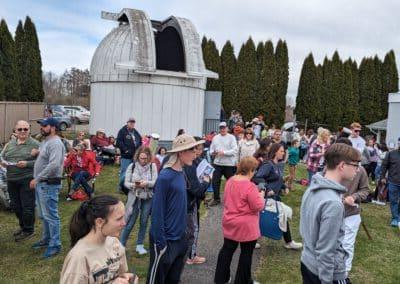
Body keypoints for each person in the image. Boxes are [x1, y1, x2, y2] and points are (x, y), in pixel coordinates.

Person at [300, 143, 361, 284]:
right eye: (355, 165)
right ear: (342, 166)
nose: (357, 170)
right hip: (323, 273)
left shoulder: (313, 187)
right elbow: (326, 251)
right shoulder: (333, 203)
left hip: (307, 262)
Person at [147, 134, 202, 284]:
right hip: (165, 241)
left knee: (174, 279)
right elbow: (156, 211)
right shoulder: (165, 176)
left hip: (180, 239)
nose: (195, 153)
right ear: (181, 153)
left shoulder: (181, 172)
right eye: (192, 150)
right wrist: (161, 243)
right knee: (157, 280)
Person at [60, 195, 139, 284]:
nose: (124, 223)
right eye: (119, 219)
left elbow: (120, 275)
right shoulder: (79, 258)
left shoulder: (115, 243)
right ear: (99, 222)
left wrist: (127, 278)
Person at [214, 156, 264, 284]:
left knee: (227, 250)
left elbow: (226, 199)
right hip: (246, 224)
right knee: (246, 254)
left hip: (230, 220)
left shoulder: (230, 180)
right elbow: (257, 206)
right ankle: (242, 281)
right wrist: (261, 195)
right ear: (251, 170)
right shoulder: (250, 186)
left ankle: (221, 279)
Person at [253, 143, 302, 250]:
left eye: (283, 151)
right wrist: (268, 189)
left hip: (275, 197)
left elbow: (277, 179)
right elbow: (257, 178)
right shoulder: (268, 164)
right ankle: (251, 241)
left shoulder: (276, 164)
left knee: (281, 216)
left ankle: (288, 242)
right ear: (275, 152)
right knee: (261, 218)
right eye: (281, 151)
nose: (283, 153)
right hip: (266, 197)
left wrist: (284, 186)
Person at [31, 117, 65, 258]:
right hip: (42, 184)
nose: (42, 128)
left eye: (45, 126)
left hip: (48, 184)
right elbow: (46, 157)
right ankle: (46, 239)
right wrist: (37, 153)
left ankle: (55, 244)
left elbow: (54, 165)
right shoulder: (45, 141)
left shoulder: (56, 143)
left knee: (51, 216)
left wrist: (37, 178)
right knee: (44, 215)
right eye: (42, 125)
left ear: (53, 128)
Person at [335, 138, 370, 278]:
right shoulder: (331, 167)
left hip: (351, 213)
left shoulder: (360, 170)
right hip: (333, 212)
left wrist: (354, 197)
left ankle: (344, 272)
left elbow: (365, 190)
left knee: (347, 244)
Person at [0, 120, 39, 241]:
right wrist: (3, 162)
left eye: (25, 129)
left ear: (29, 130)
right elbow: (2, 156)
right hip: (11, 179)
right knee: (15, 206)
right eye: (20, 129)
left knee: (27, 206)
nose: (22, 131)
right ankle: (23, 226)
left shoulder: (36, 144)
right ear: (15, 130)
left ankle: (29, 230)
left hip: (27, 179)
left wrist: (27, 163)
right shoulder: (9, 144)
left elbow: (42, 162)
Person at [120, 147, 157, 255]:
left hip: (147, 196)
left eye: (145, 158)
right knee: (130, 221)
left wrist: (147, 183)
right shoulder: (132, 166)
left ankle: (139, 245)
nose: (143, 161)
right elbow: (126, 183)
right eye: (141, 158)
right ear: (138, 157)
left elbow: (155, 181)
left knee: (144, 221)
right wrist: (135, 185)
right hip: (134, 196)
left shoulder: (152, 166)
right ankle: (121, 245)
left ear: (149, 157)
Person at [184, 137, 210, 265]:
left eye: (199, 149)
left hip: (190, 202)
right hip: (190, 203)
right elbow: (196, 190)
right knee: (193, 228)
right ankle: (191, 256)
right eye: (196, 150)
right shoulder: (189, 165)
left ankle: (187, 254)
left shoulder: (195, 162)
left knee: (188, 229)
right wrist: (205, 182)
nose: (197, 153)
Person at [209, 122, 238, 206]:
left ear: (227, 128)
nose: (222, 129)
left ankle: (233, 199)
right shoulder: (215, 138)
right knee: (215, 181)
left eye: (224, 128)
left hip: (229, 164)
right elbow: (211, 149)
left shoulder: (231, 137)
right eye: (221, 128)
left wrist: (224, 152)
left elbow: (235, 150)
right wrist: (213, 153)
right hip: (217, 163)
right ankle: (216, 199)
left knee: (231, 183)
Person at [116, 117, 142, 192]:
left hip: (135, 156)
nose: (132, 124)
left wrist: (139, 150)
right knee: (124, 171)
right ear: (127, 123)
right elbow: (119, 142)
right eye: (130, 122)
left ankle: (128, 186)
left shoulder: (135, 132)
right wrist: (126, 150)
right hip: (126, 156)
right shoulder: (122, 131)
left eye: (133, 123)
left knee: (133, 171)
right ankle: (120, 187)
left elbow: (140, 141)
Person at [380, 137, 400, 227]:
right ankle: (395, 218)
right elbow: (384, 166)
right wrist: (382, 177)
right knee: (393, 201)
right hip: (393, 182)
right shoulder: (391, 154)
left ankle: (398, 216)